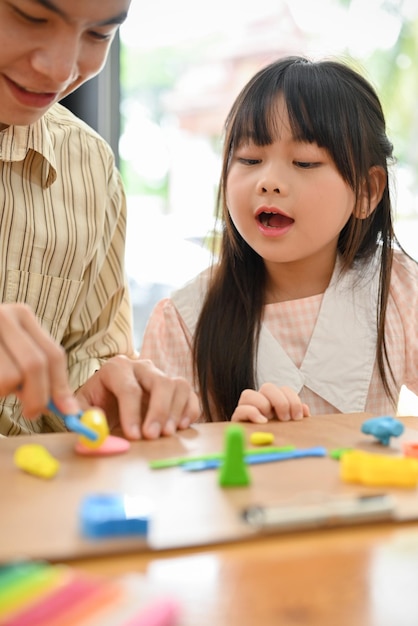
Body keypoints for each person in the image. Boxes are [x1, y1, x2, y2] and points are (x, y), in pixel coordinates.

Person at [140, 55, 418, 424]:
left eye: (304, 162)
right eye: (250, 159)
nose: (268, 182)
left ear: (367, 191)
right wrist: (228, 440)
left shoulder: (399, 291)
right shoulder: (184, 321)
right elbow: (164, 465)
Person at [0, 0, 199, 439]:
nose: (60, 69)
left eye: (98, 35)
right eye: (31, 18)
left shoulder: (87, 165)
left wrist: (100, 392)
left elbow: (90, 352)